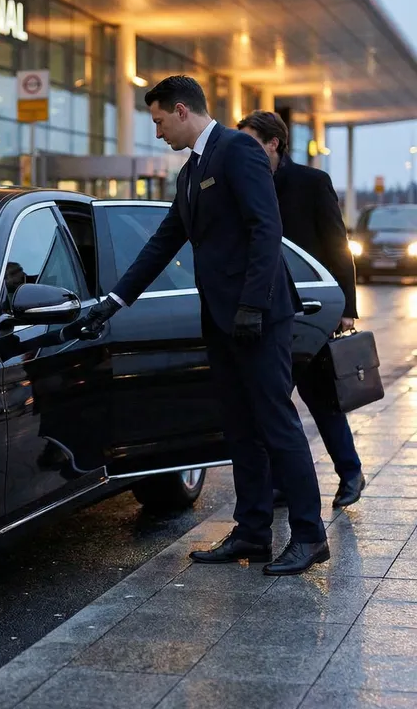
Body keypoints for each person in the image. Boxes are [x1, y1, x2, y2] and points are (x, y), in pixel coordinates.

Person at [70, 75, 329, 576]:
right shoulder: (192, 171)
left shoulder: (238, 150)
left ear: (182, 111)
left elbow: (266, 228)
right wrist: (113, 302)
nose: (157, 132)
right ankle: (252, 532)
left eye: (159, 121)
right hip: (221, 318)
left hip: (258, 316)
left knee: (276, 424)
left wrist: (252, 305)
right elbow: (165, 240)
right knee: (239, 427)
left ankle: (309, 536)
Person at [237, 110, 365, 508]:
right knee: (273, 402)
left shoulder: (311, 182)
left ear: (273, 143)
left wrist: (346, 306)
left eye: (251, 142)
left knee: (320, 396)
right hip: (266, 307)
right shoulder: (244, 181)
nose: (243, 150)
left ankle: (350, 473)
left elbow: (337, 244)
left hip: (311, 307)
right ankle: (281, 484)